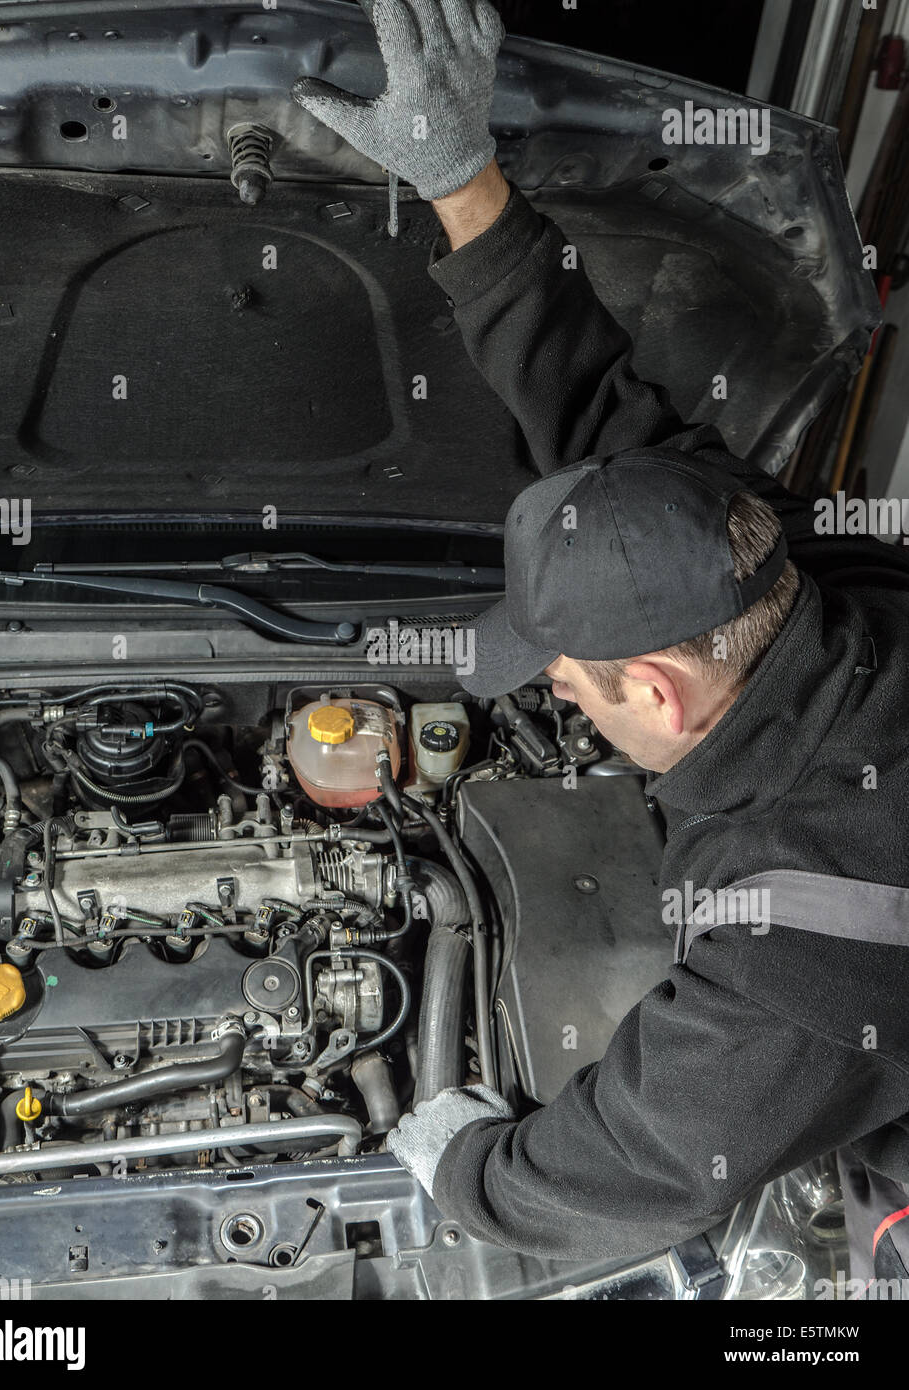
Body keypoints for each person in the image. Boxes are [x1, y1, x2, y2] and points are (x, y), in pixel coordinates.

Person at [293, 0, 909, 1279]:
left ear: (658, 691)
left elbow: (647, 1166)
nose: (560, 709)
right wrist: (465, 183)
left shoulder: (802, 946)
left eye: (567, 691)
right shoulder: (799, 565)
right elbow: (606, 424)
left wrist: (463, 1166)